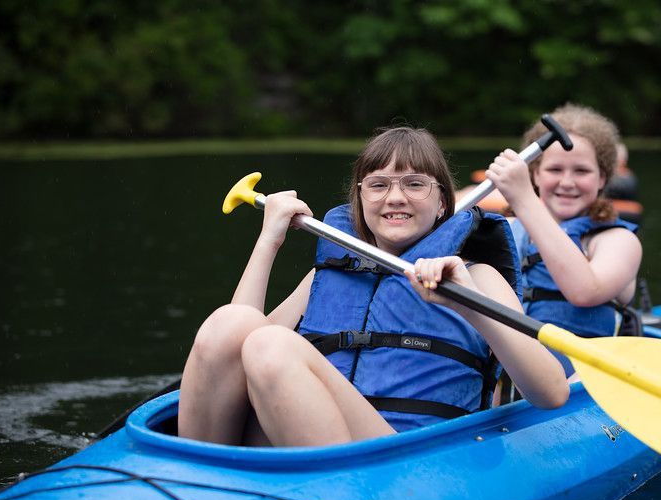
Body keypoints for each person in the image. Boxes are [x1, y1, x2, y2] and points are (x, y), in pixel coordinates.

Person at [178, 126, 569, 447]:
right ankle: (194, 479)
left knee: (271, 345)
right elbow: (231, 349)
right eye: (378, 185)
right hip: (309, 437)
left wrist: (468, 306)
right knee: (231, 323)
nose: (395, 197)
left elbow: (551, 392)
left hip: (403, 454)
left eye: (415, 184)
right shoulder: (330, 275)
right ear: (360, 198)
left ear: (442, 205)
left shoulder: (476, 277)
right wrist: (269, 242)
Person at [487, 104, 641, 378]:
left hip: (579, 389)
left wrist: (524, 198)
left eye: (581, 171)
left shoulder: (617, 241)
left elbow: (585, 292)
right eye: (555, 169)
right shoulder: (504, 230)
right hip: (507, 385)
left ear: (602, 178)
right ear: (535, 174)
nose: (567, 182)